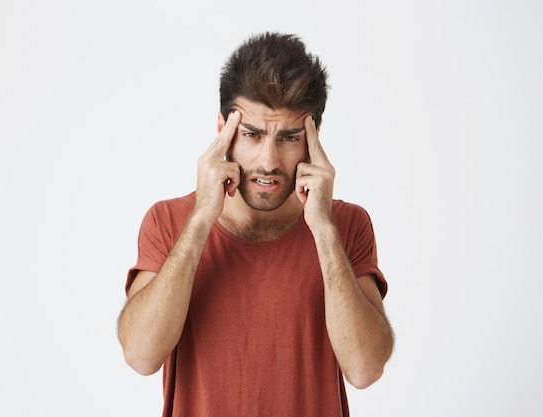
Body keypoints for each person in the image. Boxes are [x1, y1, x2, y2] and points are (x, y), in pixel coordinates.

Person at [117, 32, 393, 416]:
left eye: (289, 138)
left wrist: (325, 231)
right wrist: (200, 220)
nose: (269, 160)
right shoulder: (169, 221)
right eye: (252, 134)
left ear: (313, 139)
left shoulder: (346, 224)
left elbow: (364, 369)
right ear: (222, 130)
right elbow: (141, 356)